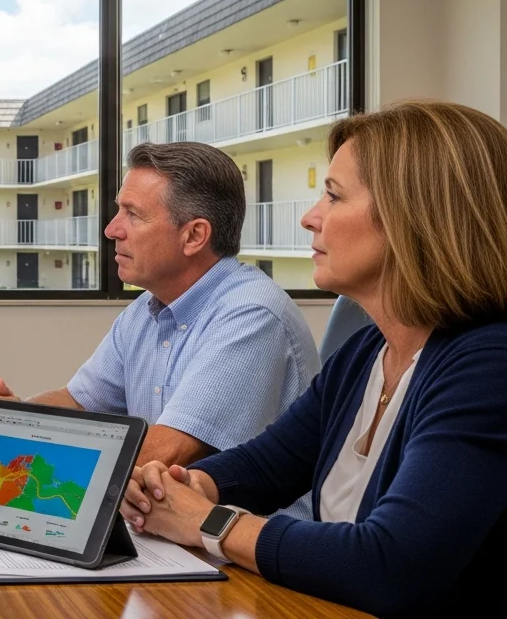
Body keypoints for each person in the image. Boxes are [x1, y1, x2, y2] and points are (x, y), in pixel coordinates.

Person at [122, 100, 507, 617]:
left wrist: (208, 521)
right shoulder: (367, 351)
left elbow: (389, 565)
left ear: (411, 217)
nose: (310, 217)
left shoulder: (489, 365)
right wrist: (187, 486)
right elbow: (266, 465)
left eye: (333, 196)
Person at [0, 142, 319, 470]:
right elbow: (79, 403)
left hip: (237, 538)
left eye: (133, 214)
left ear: (193, 235)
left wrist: (13, 446)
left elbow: (161, 455)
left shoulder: (251, 314)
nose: (112, 230)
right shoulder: (148, 307)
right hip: (165, 526)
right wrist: (8, 418)